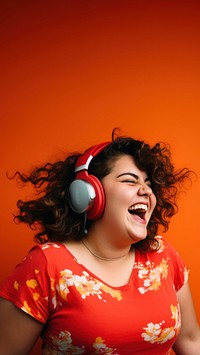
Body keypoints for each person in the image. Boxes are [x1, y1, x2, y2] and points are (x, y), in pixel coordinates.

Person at [0, 129, 199, 355]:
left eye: (148, 184)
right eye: (129, 181)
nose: (146, 191)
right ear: (88, 194)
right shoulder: (46, 265)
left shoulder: (163, 255)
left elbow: (191, 341)